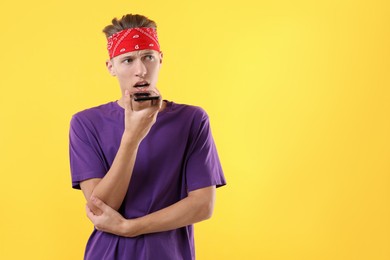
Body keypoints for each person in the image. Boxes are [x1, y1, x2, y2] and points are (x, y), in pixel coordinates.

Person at [69, 13, 226, 260]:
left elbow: (203, 205)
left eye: (148, 57)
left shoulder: (192, 120)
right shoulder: (86, 123)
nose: (140, 71)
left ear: (161, 60)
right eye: (128, 60)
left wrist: (130, 228)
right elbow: (101, 207)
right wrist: (132, 137)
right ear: (111, 67)